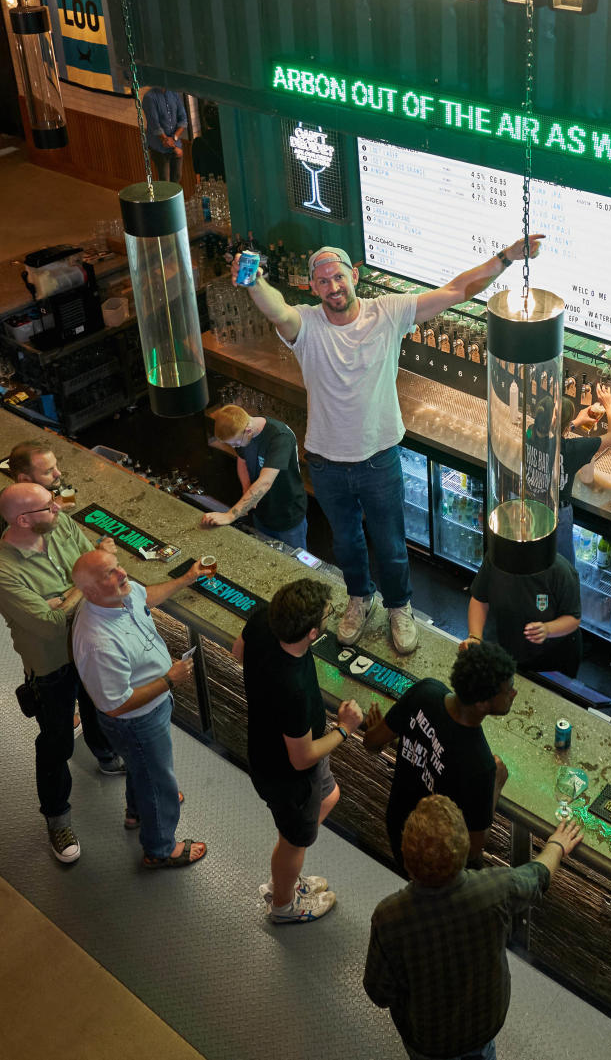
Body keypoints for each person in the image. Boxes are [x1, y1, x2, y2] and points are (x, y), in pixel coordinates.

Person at [234, 233, 543, 656]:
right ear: (312, 288)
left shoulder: (389, 313)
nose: (333, 287)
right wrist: (253, 281)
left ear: (354, 276)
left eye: (338, 277)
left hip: (379, 458)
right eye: (322, 281)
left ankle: (399, 607)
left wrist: (505, 257)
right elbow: (275, 308)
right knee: (346, 543)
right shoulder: (305, 325)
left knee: (392, 544)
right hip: (325, 462)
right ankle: (359, 599)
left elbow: (456, 291)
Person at [364, 794, 583, 1060]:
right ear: (465, 848)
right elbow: (538, 876)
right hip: (482, 1028)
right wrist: (556, 846)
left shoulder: (389, 917)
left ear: (406, 857)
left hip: (427, 1042)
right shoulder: (496, 889)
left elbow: (379, 992)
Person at [0, 483, 124, 863]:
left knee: (97, 706)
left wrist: (68, 594)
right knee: (56, 742)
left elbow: (94, 569)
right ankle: (57, 818)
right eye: (47, 505)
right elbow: (51, 624)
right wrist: (81, 588)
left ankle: (105, 755)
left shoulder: (62, 524)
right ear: (23, 519)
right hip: (52, 664)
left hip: (91, 643)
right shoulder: (4, 572)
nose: (57, 506)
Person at [232, 576, 364, 923]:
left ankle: (285, 879)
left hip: (263, 745)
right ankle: (283, 904)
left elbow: (237, 651)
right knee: (293, 841)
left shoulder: (264, 617)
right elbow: (302, 756)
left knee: (328, 797)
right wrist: (345, 729)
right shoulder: (293, 690)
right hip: (286, 776)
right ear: (311, 633)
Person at [70, 548, 207, 869]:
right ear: (90, 591)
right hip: (136, 720)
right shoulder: (97, 642)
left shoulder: (120, 596)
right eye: (110, 574)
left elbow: (147, 597)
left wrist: (186, 579)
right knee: (158, 780)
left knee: (142, 767)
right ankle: (160, 849)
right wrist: (170, 680)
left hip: (150, 711)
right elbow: (116, 706)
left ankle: (136, 812)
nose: (122, 574)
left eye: (118, 567)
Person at [363, 641, 516, 869]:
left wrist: (379, 731)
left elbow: (371, 743)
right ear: (482, 703)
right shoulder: (481, 765)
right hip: (441, 863)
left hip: (400, 829)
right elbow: (473, 849)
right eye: (508, 690)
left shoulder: (425, 692)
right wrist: (495, 785)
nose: (514, 693)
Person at [526, 386, 611, 565]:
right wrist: (609, 405)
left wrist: (576, 422)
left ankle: (537, 591)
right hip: (557, 516)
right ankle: (556, 593)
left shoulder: (530, 432)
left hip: (533, 507)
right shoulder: (571, 450)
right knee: (563, 566)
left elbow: (551, 430)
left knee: (536, 559)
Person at [202, 403, 309, 550]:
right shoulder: (243, 436)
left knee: (297, 564)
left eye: (236, 443)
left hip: (287, 515)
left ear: (248, 431)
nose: (235, 447)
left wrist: (230, 515)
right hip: (261, 513)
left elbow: (265, 482)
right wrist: (247, 488)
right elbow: (242, 460)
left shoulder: (279, 437)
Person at [467, 548, 582, 678]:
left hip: (551, 658)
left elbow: (573, 618)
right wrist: (475, 637)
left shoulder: (561, 571)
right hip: (507, 649)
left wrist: (548, 629)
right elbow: (479, 599)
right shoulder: (496, 558)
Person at [142, 85, 188, 182]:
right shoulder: (149, 97)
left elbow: (183, 118)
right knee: (165, 181)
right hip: (159, 147)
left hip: (176, 143)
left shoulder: (173, 93)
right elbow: (155, 125)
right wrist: (167, 141)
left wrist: (175, 137)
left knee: (177, 178)